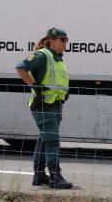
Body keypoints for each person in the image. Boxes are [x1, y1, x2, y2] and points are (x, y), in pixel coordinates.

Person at [14, 28, 73, 189]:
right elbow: (21, 67)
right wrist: (34, 86)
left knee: (44, 139)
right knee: (52, 139)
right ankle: (55, 177)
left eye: (66, 40)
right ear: (51, 40)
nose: (65, 43)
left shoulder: (58, 59)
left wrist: (64, 92)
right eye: (62, 39)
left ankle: (39, 175)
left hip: (55, 104)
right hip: (43, 105)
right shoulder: (42, 55)